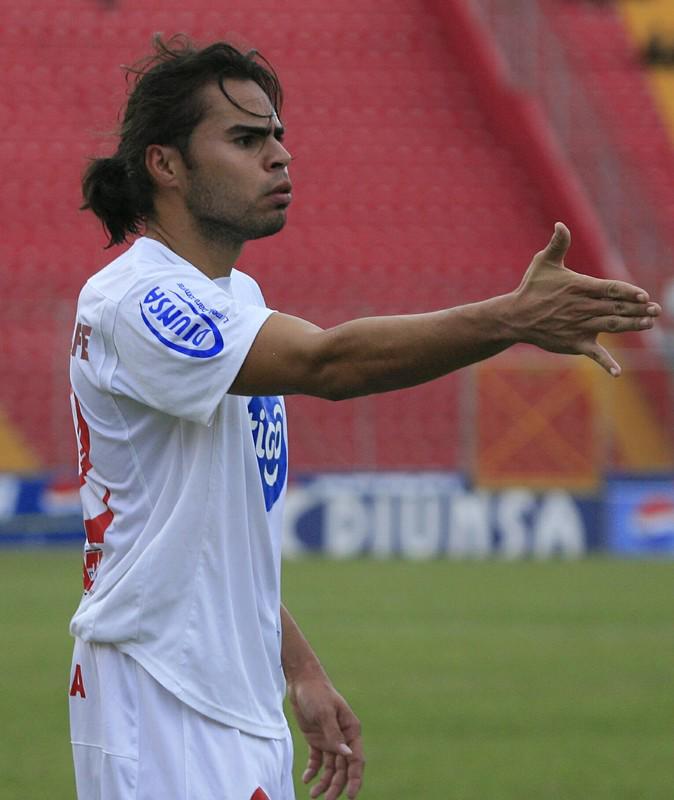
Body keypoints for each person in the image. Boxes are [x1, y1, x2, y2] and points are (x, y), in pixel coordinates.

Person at [67, 35, 661, 800]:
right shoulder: (138, 299)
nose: (279, 156)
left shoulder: (233, 303)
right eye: (246, 139)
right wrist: (510, 319)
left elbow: (214, 536)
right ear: (166, 164)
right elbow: (330, 365)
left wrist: (300, 669)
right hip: (162, 699)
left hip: (222, 696)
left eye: (279, 135)